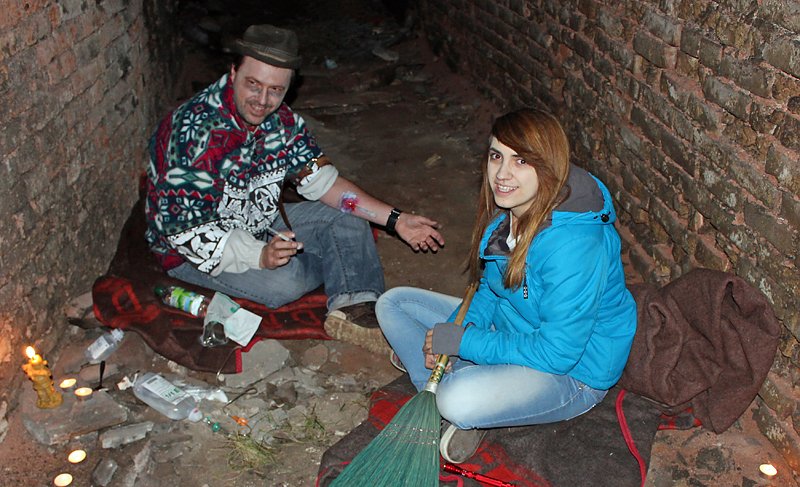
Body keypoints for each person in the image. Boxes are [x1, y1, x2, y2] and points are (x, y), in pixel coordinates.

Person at [144, 24, 444, 354]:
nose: (262, 100)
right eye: (253, 85)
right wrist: (259, 255)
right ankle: (336, 266)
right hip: (196, 249)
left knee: (348, 215)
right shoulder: (192, 131)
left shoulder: (282, 122)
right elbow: (186, 232)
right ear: (233, 73)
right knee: (288, 281)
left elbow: (325, 184)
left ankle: (356, 311)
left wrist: (395, 219)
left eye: (275, 90)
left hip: (258, 223)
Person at [376, 108, 637, 463]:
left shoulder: (575, 246)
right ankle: (468, 385)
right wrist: (455, 329)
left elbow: (558, 353)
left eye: (521, 161)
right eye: (497, 156)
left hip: (573, 374)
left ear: (548, 166)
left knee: (457, 400)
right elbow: (489, 292)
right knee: (393, 304)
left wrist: (464, 341)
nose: (502, 174)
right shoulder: (509, 216)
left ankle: (460, 391)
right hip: (516, 329)